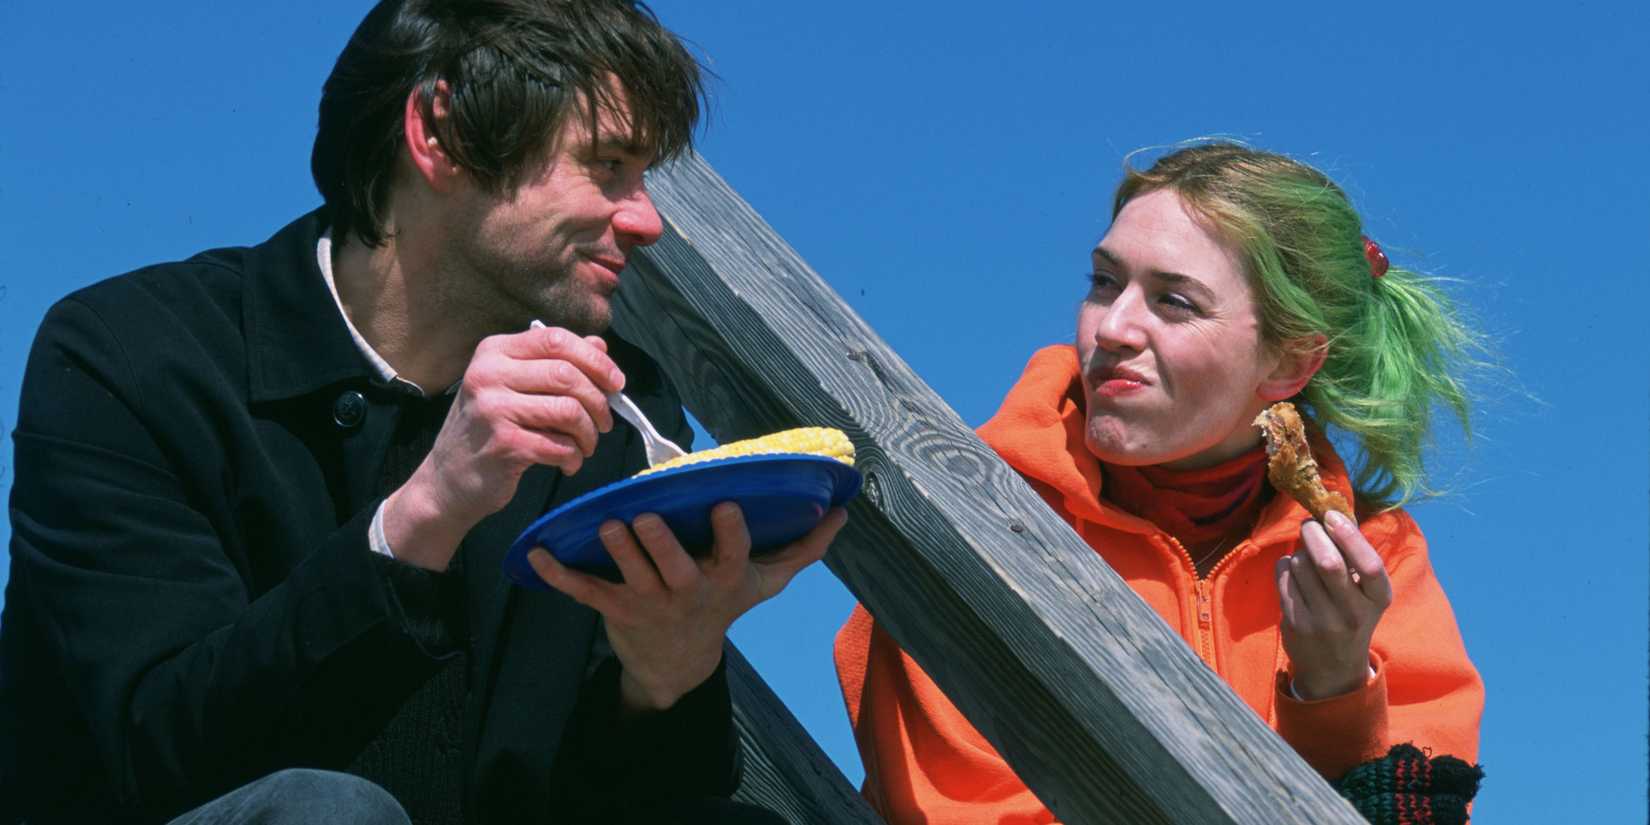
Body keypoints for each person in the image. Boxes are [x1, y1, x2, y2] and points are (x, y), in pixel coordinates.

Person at [0, 1, 846, 823]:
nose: (647, 219)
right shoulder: (129, 356)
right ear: (441, 133)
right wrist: (422, 514)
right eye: (608, 166)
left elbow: (630, 800)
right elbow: (151, 755)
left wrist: (663, 674)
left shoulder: (614, 408)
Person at [834, 143, 1486, 824]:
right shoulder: (963, 509)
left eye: (1174, 301)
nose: (1112, 328)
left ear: (1291, 361)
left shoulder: (1377, 559)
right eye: (1104, 282)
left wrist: (1334, 694)